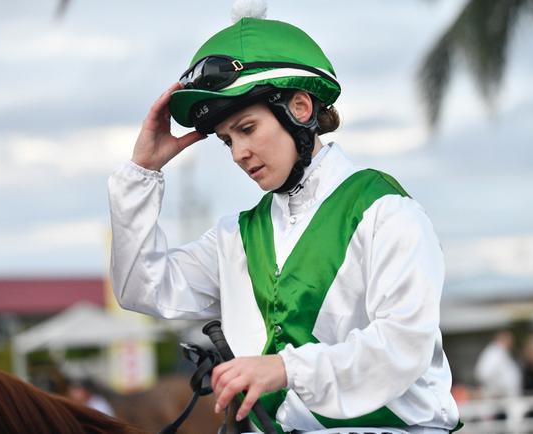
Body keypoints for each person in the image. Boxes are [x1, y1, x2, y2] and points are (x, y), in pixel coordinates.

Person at [108, 9, 460, 434]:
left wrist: (284, 369)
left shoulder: (387, 212)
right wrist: (141, 174)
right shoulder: (235, 237)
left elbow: (403, 346)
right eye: (227, 141)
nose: (238, 153)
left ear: (299, 107)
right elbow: (140, 287)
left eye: (248, 128)